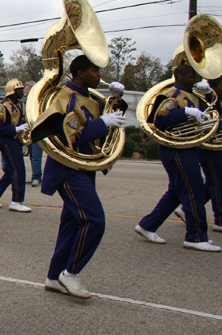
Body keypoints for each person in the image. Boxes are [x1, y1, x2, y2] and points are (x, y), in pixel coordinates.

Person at [31, 55, 127, 298]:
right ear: (81, 73)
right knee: (94, 220)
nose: (100, 76)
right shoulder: (65, 97)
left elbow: (101, 130)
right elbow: (70, 136)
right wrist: (103, 122)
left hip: (85, 167)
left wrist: (117, 103)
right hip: (68, 169)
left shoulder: (91, 98)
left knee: (72, 225)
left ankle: (54, 277)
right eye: (96, 71)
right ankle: (70, 274)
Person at [135, 64, 221, 252]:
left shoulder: (192, 95)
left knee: (176, 192)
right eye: (191, 76)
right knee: (194, 191)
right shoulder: (171, 95)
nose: (194, 79)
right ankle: (196, 237)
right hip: (176, 150)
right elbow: (159, 120)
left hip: (187, 148)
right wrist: (185, 112)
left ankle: (147, 225)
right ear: (180, 77)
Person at [0, 79, 32, 212]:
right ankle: (16, 201)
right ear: (12, 91)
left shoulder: (21, 105)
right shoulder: (2, 105)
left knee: (12, 171)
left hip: (16, 140)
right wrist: (16, 129)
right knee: (18, 170)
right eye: (19, 90)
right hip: (7, 140)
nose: (22, 92)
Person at [200, 77, 222, 233]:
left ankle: (187, 210)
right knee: (218, 183)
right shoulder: (206, 100)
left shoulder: (216, 101)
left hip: (214, 146)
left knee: (212, 183)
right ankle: (219, 220)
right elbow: (212, 123)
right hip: (209, 148)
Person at [24, 81, 43, 187]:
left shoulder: (38, 102)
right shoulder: (27, 102)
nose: (24, 92)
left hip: (37, 132)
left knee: (36, 156)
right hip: (29, 133)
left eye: (26, 89)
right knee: (32, 155)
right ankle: (35, 176)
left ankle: (37, 178)